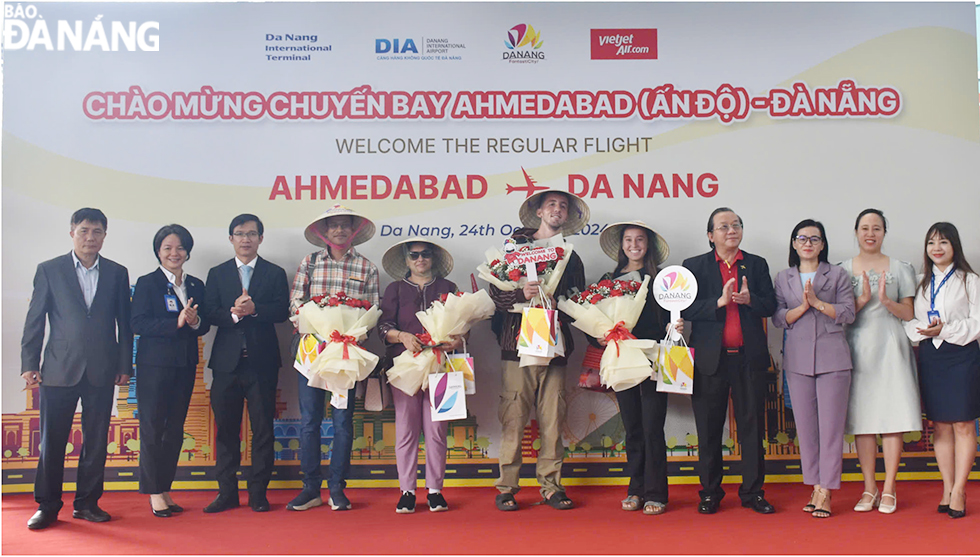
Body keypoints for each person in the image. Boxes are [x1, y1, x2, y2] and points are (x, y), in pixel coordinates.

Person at [20, 208, 133, 530]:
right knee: (52, 442)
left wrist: (125, 365)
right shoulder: (50, 270)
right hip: (58, 369)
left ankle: (87, 503)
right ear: (72, 232)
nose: (90, 237)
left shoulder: (116, 272)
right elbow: (35, 320)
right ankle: (47, 506)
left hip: (102, 370)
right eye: (84, 231)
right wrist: (30, 363)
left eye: (97, 232)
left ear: (105, 236)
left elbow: (124, 324)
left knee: (96, 442)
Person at [489, 189, 588, 511]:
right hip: (516, 347)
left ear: (567, 215)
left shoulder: (571, 256)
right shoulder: (514, 248)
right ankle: (506, 487)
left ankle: (551, 486)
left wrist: (563, 303)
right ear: (539, 212)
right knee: (514, 417)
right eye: (551, 205)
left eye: (563, 206)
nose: (557, 210)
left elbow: (579, 302)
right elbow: (495, 297)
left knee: (552, 418)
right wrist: (521, 291)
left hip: (555, 347)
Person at [681, 207, 777, 515]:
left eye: (736, 225)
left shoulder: (756, 264)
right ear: (711, 235)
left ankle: (752, 492)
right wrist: (718, 303)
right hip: (710, 360)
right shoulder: (693, 266)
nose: (731, 230)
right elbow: (684, 309)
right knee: (709, 430)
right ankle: (710, 493)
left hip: (748, 359)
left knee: (752, 428)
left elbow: (770, 306)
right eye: (723, 227)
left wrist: (751, 301)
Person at [286, 205, 380, 512]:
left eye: (345, 226)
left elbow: (372, 313)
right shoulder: (310, 263)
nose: (339, 231)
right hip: (312, 350)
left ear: (353, 231)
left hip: (345, 353)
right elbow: (296, 305)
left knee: (342, 421)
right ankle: (310, 488)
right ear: (323, 232)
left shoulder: (367, 267)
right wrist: (316, 328)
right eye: (333, 226)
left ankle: (338, 489)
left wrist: (353, 334)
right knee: (310, 421)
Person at [202, 214, 290, 513]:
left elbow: (281, 311)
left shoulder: (274, 272)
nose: (246, 239)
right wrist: (236, 314)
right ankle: (226, 493)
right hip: (226, 364)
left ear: (261, 238)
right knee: (226, 431)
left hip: (261, 362)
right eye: (239, 234)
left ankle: (258, 494)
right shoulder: (217, 273)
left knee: (263, 430)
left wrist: (255, 310)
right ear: (231, 239)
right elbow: (210, 313)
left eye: (252, 234)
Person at [595, 221, 682, 515]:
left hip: (654, 357)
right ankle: (635, 489)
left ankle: (656, 492)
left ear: (649, 245)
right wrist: (598, 334)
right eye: (629, 240)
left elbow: (674, 315)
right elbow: (595, 319)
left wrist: (675, 325)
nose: (634, 245)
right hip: (622, 359)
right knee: (632, 427)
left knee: (652, 426)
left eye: (640, 239)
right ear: (621, 245)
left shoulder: (662, 278)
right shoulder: (608, 280)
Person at [772, 219, 855, 519]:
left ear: (823, 244)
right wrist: (803, 307)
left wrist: (818, 302)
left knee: (831, 429)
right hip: (797, 360)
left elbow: (847, 312)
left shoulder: (838, 274)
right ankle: (815, 485)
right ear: (794, 244)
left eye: (814, 238)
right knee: (806, 431)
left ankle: (826, 491)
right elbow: (779, 317)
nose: (808, 243)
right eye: (802, 238)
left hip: (833, 359)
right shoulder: (783, 277)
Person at [840, 208, 920, 514]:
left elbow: (909, 313)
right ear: (856, 232)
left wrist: (887, 301)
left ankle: (889, 488)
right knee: (863, 420)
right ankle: (869, 487)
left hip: (890, 347)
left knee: (892, 417)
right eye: (864, 228)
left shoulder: (901, 268)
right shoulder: (842, 269)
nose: (870, 233)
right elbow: (843, 315)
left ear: (884, 232)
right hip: (857, 347)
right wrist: (861, 301)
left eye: (876, 228)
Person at [131, 224, 210, 517]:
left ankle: (164, 487)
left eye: (179, 248)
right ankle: (153, 492)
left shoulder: (197, 285)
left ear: (187, 252)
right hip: (154, 367)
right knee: (152, 428)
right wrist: (174, 323)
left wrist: (193, 322)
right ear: (158, 252)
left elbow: (206, 324)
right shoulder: (147, 283)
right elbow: (137, 323)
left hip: (185, 364)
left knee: (174, 429)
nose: (174, 253)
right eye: (167, 248)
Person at [903, 222, 980, 519]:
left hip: (962, 355)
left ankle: (960, 488)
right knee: (940, 425)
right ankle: (947, 487)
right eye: (932, 243)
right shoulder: (920, 282)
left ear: (954, 246)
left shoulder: (970, 280)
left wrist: (944, 329)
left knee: (962, 424)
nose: (937, 248)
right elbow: (908, 321)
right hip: (931, 357)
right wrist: (923, 330)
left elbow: (976, 323)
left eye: (943, 242)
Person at [378, 238, 461, 513]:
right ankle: (407, 490)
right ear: (406, 260)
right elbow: (383, 326)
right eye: (414, 255)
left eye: (425, 254)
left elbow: (463, 325)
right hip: (404, 365)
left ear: (433, 258)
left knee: (438, 429)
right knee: (406, 428)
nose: (420, 259)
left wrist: (458, 340)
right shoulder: (395, 289)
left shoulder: (448, 288)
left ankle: (436, 490)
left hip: (443, 363)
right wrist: (402, 336)